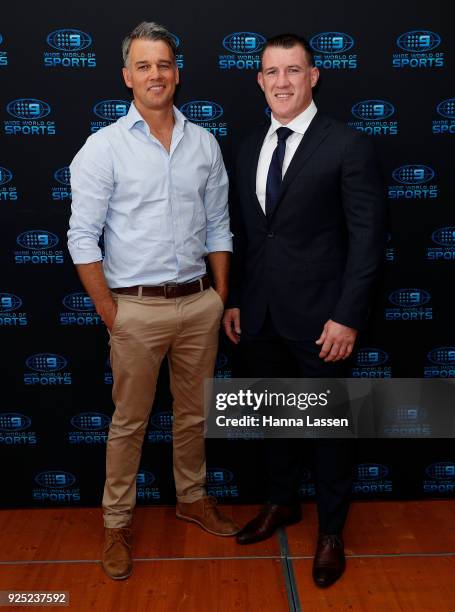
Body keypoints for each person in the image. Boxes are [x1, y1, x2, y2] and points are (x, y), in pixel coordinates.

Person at [67, 21, 238, 581]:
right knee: (129, 423)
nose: (155, 74)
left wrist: (219, 297)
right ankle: (116, 523)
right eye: (143, 65)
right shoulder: (103, 147)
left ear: (176, 72)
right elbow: (81, 238)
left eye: (163, 64)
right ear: (127, 77)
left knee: (194, 415)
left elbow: (218, 225)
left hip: (198, 305)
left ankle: (192, 499)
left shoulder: (205, 143)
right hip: (134, 309)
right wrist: (113, 314)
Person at [223, 33, 386, 588]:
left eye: (294, 70)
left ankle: (332, 532)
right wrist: (239, 299)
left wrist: (348, 316)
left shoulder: (347, 145)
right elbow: (250, 237)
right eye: (272, 72)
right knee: (272, 419)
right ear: (260, 80)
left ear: (314, 76)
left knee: (327, 429)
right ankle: (281, 502)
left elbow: (367, 241)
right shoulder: (247, 147)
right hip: (261, 316)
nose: (283, 82)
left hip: (323, 322)